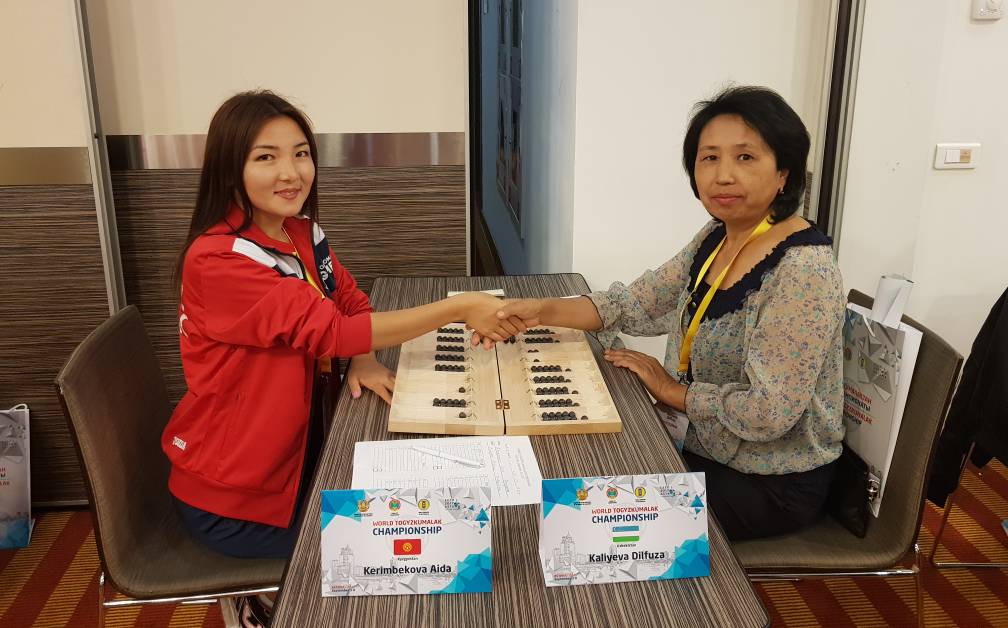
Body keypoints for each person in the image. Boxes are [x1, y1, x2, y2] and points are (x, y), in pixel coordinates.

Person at [161, 90, 519, 571]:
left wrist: (364, 357)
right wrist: (458, 309)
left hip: (301, 455)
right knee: (425, 543)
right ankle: (267, 604)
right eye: (266, 157)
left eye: (300, 154)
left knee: (432, 507)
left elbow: (348, 300)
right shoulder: (218, 261)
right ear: (229, 169)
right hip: (239, 499)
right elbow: (332, 331)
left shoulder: (300, 232)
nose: (291, 173)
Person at [493, 86, 845, 540]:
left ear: (784, 173)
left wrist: (671, 390)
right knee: (570, 466)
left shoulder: (802, 270)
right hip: (698, 443)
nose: (723, 176)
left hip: (768, 480)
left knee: (580, 522)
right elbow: (636, 303)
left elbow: (768, 411)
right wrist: (541, 310)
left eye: (745, 158)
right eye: (709, 158)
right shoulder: (716, 236)